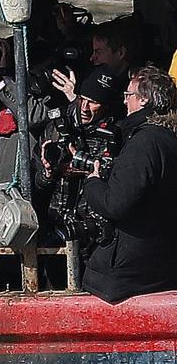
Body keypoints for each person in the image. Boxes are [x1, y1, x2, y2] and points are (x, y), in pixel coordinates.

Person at [79, 65, 177, 303]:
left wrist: (92, 181)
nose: (124, 102)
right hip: (162, 265)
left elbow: (115, 204)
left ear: (143, 99)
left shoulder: (145, 142)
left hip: (127, 274)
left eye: (128, 95)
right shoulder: (169, 139)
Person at [36, 66, 123, 272]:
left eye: (93, 102)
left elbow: (121, 180)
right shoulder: (57, 127)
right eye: (81, 98)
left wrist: (82, 163)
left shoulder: (115, 134)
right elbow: (37, 184)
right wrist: (48, 173)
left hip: (94, 232)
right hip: (55, 225)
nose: (84, 107)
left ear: (106, 105)